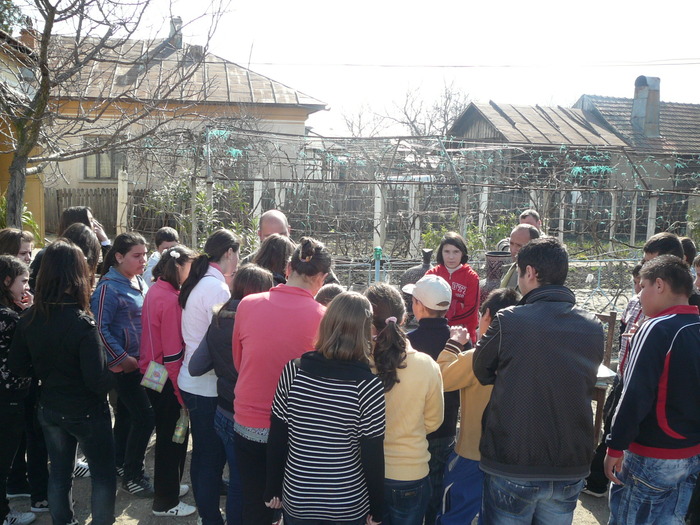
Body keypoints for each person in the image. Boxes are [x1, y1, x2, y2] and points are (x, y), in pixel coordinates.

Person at [473, 237, 604, 525]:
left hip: (513, 458)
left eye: (518, 271)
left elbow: (482, 370)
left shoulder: (509, 320)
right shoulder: (593, 326)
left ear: (529, 272)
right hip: (570, 461)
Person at [9, 240, 115, 525]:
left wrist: (46, 369)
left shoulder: (30, 317)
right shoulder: (82, 324)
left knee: (59, 472)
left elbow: (17, 365)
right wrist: (119, 373)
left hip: (50, 406)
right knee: (103, 475)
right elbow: (96, 381)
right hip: (87, 410)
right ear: (78, 275)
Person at [264, 292, 386, 525]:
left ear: (327, 324)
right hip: (347, 501)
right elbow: (372, 454)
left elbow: (278, 437)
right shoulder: (368, 386)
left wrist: (272, 488)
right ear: (365, 331)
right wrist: (377, 507)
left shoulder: (293, 371)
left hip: (298, 495)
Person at [233, 237, 329, 524]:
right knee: (295, 506)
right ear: (322, 278)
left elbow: (240, 362)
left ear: (289, 267)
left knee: (254, 501)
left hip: (248, 419)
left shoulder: (248, 304)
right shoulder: (324, 317)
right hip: (297, 427)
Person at [584, 232, 685, 498]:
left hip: (660, 402)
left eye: (652, 262)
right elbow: (625, 339)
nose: (643, 274)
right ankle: (602, 480)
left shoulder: (684, 304)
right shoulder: (637, 299)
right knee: (613, 424)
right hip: (625, 378)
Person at [604, 255, 700, 525]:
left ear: (659, 285)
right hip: (691, 452)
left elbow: (634, 394)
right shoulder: (695, 325)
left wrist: (614, 446)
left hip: (651, 454)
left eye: (642, 285)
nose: (639, 294)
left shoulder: (657, 327)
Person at [188, 264, 275, 525]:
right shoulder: (261, 323)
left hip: (223, 412)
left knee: (232, 477)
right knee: (247, 484)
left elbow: (196, 366)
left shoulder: (218, 319)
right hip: (252, 417)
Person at [436, 287, 521, 525]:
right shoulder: (524, 357)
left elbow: (440, 377)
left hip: (473, 453)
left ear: (486, 317)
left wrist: (453, 344)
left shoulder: (478, 356)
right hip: (509, 458)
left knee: (457, 512)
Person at [365, 283, 444, 525]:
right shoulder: (426, 364)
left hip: (364, 473)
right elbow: (434, 421)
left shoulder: (359, 363)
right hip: (411, 473)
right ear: (403, 318)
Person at [177, 229, 240, 525]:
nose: (238, 261)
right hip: (206, 385)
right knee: (210, 459)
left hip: (196, 381)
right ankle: (211, 517)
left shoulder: (203, 282)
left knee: (203, 455)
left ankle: (207, 512)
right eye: (237, 254)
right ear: (229, 252)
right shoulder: (217, 289)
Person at [91, 233, 152, 496]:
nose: (143, 260)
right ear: (118, 257)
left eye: (145, 254)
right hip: (124, 368)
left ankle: (119, 462)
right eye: (136, 256)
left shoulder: (138, 280)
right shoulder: (107, 288)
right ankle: (133, 476)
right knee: (145, 417)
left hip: (142, 364)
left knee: (127, 416)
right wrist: (122, 359)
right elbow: (99, 329)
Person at [139, 245, 196, 517]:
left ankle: (169, 487)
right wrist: (179, 391)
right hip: (165, 374)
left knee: (166, 433)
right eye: (189, 267)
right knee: (173, 437)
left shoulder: (156, 289)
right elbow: (173, 354)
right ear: (178, 266)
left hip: (151, 371)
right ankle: (166, 500)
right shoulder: (172, 299)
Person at [401, 274, 454, 525]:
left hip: (412, 429)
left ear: (419, 305)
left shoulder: (409, 342)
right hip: (446, 427)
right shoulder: (459, 342)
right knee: (436, 488)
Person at [0, 256, 35, 525]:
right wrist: (30, 313)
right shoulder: (10, 319)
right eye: (23, 281)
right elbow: (28, 351)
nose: (27, 287)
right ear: (7, 281)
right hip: (9, 398)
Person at [425, 232, 480, 344]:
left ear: (463, 253)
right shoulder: (431, 274)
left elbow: (470, 311)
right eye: (447, 251)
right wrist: (458, 305)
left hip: (464, 338)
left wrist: (443, 316)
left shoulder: (471, 277)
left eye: (456, 252)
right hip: (436, 334)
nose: (451, 257)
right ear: (441, 253)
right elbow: (426, 306)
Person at [500, 224, 540, 290]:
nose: (513, 249)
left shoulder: (538, 276)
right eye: (511, 243)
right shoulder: (510, 270)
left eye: (519, 246)